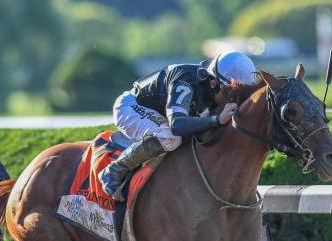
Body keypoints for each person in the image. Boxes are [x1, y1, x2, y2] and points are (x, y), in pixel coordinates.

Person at [99, 50, 258, 201]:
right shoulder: (185, 81)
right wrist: (218, 119)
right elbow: (177, 125)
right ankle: (114, 170)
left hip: (161, 114)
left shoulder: (215, 84)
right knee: (170, 138)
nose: (233, 100)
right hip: (131, 107)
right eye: (230, 93)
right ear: (214, 83)